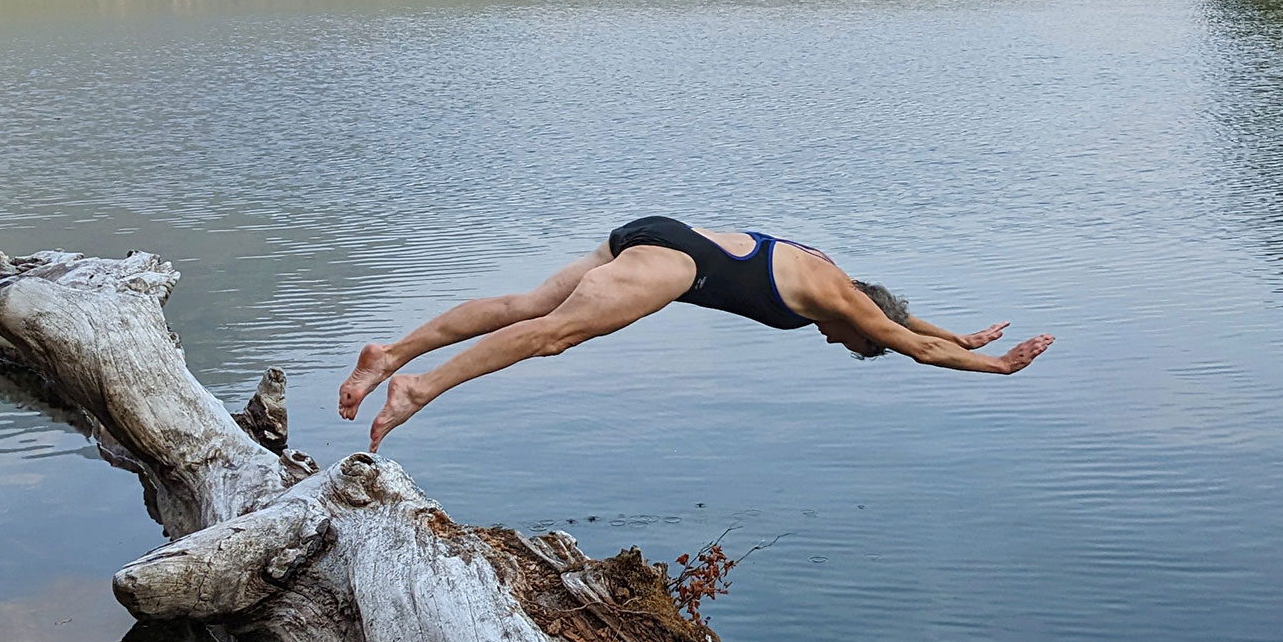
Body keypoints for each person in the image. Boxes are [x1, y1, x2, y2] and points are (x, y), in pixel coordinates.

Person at [338, 214, 1054, 448]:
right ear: (862, 332)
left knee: (524, 306)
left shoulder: (843, 284)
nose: (842, 345)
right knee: (553, 333)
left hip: (657, 233)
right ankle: (419, 386)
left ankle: (387, 353)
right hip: (679, 268)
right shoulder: (847, 307)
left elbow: (901, 321)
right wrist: (993, 370)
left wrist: (961, 334)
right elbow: (907, 341)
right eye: (858, 347)